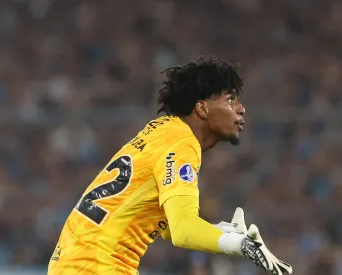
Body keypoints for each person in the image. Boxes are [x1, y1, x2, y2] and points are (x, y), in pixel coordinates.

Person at [48, 55, 293, 275]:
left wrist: (224, 232)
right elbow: (183, 230)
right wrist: (240, 246)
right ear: (202, 108)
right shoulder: (181, 143)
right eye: (229, 100)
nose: (240, 109)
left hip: (71, 263)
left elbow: (167, 224)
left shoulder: (161, 132)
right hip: (98, 266)